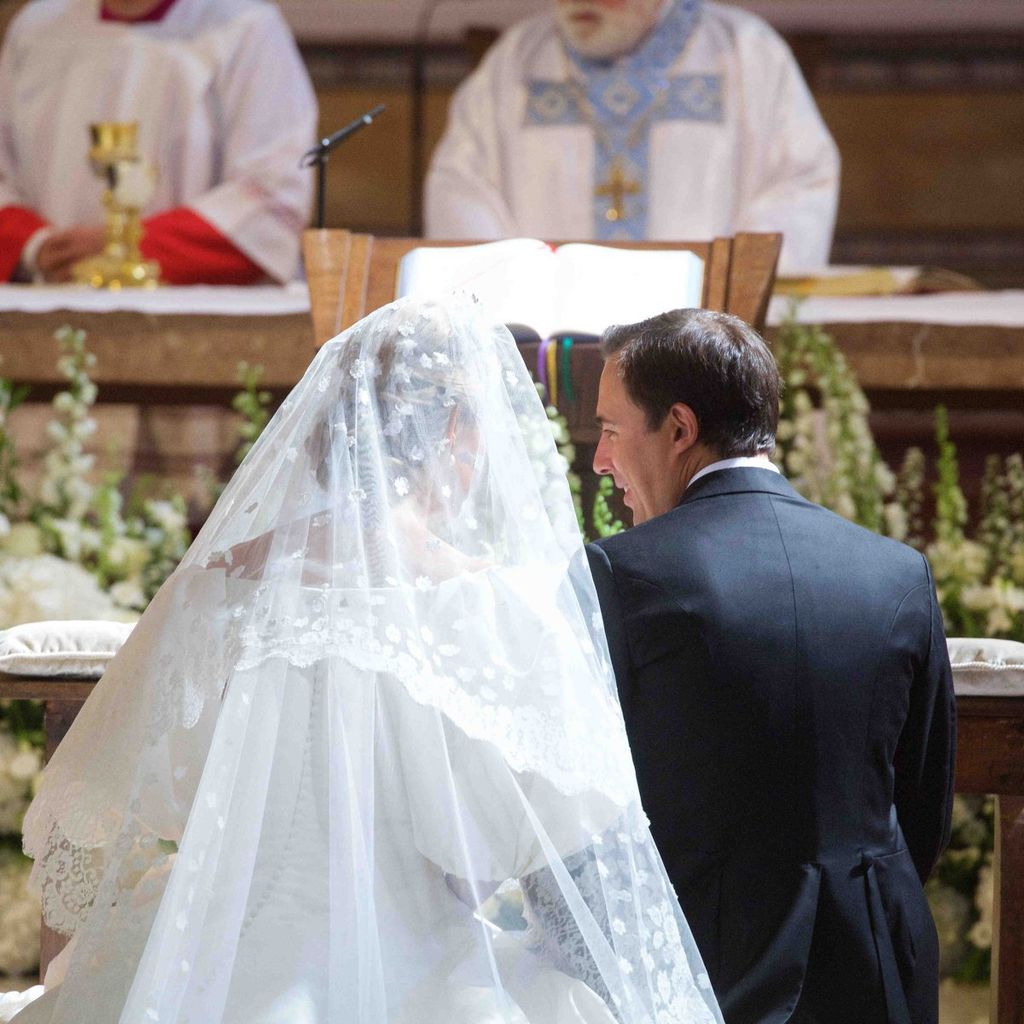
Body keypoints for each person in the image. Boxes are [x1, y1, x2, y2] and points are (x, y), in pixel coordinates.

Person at [9, 296, 723, 1024]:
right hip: (414, 973)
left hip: (202, 958)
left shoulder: (215, 583)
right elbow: (517, 844)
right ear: (455, 433)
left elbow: (92, 793)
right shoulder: (485, 604)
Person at [585, 308, 956, 1024]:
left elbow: (595, 800)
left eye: (608, 429)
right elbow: (922, 799)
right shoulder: (898, 571)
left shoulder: (617, 572)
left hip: (702, 966)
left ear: (680, 429)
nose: (599, 460)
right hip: (876, 958)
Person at [425, 0, 839, 272]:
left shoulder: (747, 53)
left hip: (701, 348)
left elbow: (798, 183)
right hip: (547, 344)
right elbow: (462, 186)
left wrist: (728, 292)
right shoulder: (515, 62)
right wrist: (509, 289)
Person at [0, 0, 316, 284]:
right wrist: (36, 246)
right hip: (48, 297)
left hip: (194, 314)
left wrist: (124, 248)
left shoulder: (246, 27)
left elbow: (271, 195)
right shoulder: (36, 27)